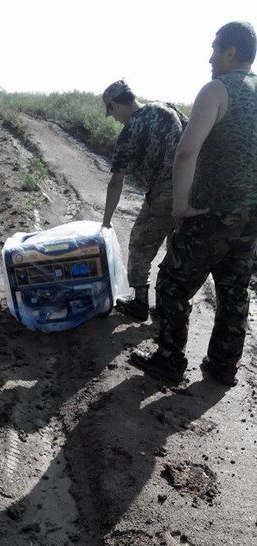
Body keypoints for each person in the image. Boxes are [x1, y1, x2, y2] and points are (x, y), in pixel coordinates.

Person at [131, 21, 257, 387]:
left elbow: (186, 153)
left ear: (230, 52)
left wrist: (181, 207)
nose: (210, 57)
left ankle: (170, 359)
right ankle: (222, 368)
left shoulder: (218, 89)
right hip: (250, 215)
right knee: (234, 290)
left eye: (215, 49)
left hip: (212, 211)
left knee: (172, 281)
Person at [102, 80, 188, 320]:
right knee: (176, 250)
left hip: (164, 192)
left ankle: (140, 303)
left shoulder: (131, 129)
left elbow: (116, 181)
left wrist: (106, 222)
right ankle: (168, 308)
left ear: (116, 104)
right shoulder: (167, 107)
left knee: (140, 244)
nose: (113, 118)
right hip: (191, 188)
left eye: (111, 111)